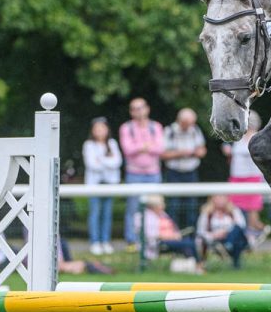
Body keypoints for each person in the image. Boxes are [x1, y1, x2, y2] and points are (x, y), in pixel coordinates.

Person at [221, 111, 271, 247]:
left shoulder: (258, 138)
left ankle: (259, 231)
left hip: (253, 178)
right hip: (236, 177)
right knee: (232, 208)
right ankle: (243, 235)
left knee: (252, 212)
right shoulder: (236, 138)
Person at [119, 98, 164, 248]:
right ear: (131, 112)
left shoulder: (156, 126)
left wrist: (139, 147)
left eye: (141, 107)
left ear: (147, 109)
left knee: (155, 207)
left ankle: (154, 239)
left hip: (153, 173)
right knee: (133, 208)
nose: (138, 111)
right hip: (134, 174)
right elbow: (127, 150)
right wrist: (146, 146)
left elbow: (160, 149)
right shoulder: (126, 128)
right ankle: (132, 240)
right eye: (134, 108)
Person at [162, 108, 207, 231]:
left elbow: (202, 150)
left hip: (191, 173)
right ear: (180, 121)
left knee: (191, 206)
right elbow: (163, 154)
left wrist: (196, 153)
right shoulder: (169, 131)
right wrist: (181, 153)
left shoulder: (195, 130)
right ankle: (172, 235)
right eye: (187, 124)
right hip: (174, 173)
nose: (189, 126)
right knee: (173, 206)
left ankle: (191, 235)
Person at [82, 117, 122, 255]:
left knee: (107, 213)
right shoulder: (88, 145)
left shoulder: (112, 143)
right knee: (95, 213)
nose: (99, 131)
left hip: (109, 184)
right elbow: (92, 165)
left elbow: (117, 162)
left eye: (102, 128)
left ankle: (105, 241)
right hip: (95, 185)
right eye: (96, 129)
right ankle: (95, 242)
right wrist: (107, 161)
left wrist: (101, 160)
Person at [138, 195, 201, 270]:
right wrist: (171, 236)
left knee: (189, 243)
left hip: (171, 239)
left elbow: (173, 227)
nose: (164, 205)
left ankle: (193, 266)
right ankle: (198, 266)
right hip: (158, 242)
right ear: (154, 206)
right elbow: (152, 235)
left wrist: (176, 234)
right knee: (189, 243)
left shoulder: (163, 214)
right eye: (161, 204)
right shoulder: (145, 216)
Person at [195, 195, 249, 269]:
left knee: (237, 231)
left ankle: (229, 245)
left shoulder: (234, 211)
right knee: (236, 239)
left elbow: (241, 226)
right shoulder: (207, 213)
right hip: (214, 240)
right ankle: (229, 247)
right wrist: (214, 235)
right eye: (218, 197)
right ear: (212, 199)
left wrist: (226, 232)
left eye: (223, 197)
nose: (220, 200)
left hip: (232, 237)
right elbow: (200, 231)